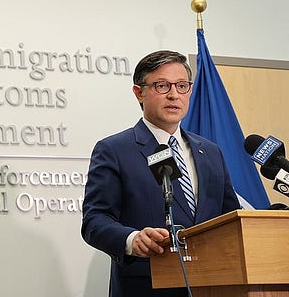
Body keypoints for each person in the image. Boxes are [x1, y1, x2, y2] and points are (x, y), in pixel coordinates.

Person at [81, 50, 240, 297]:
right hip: (147, 287)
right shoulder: (114, 150)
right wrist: (132, 239)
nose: (174, 94)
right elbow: (95, 221)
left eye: (182, 86)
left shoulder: (210, 152)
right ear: (139, 93)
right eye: (162, 86)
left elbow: (230, 219)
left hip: (212, 285)